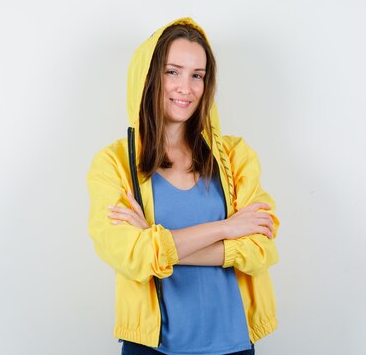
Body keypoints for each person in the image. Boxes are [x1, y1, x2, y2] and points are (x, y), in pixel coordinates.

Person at [86, 18, 279, 355]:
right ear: (148, 76)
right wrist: (227, 228)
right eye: (172, 71)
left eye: (197, 75)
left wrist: (156, 239)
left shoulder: (236, 157)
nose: (185, 88)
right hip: (153, 348)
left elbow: (260, 250)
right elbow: (132, 256)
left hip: (233, 344)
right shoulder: (113, 163)